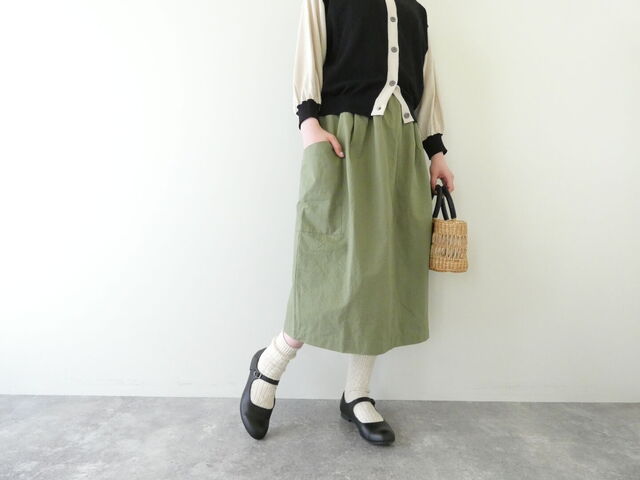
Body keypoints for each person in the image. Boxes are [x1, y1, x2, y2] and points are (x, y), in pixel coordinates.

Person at [240, 0, 455, 446]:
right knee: (325, 266)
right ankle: (270, 364)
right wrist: (308, 124)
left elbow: (426, 84)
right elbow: (309, 52)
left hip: (400, 145)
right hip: (342, 141)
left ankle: (356, 393)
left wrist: (435, 151)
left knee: (381, 272)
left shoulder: (414, 11)